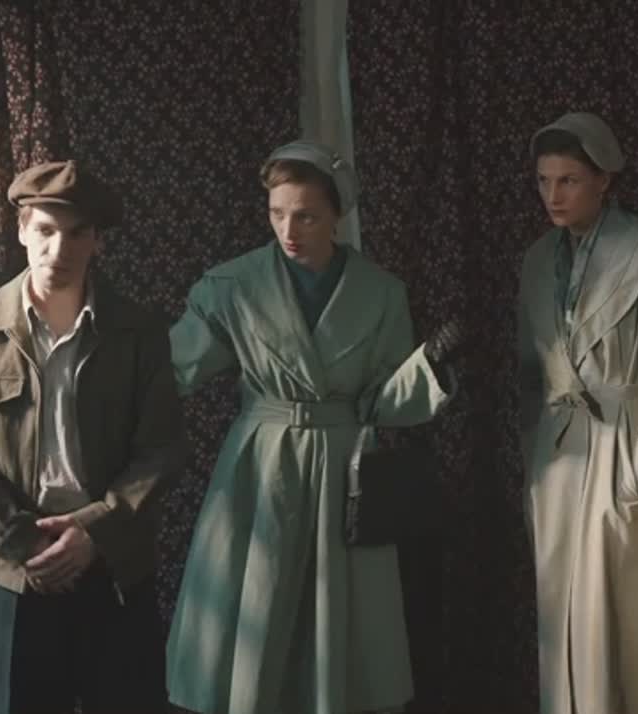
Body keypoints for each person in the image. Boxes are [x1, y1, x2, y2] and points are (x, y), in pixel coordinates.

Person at [164, 140, 466, 714]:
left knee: (341, 622)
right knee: (258, 605)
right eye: (276, 213)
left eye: (305, 216)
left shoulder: (381, 293)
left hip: (344, 471)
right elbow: (174, 370)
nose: (288, 230)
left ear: (336, 215)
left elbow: (381, 400)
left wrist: (427, 366)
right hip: (261, 468)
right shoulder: (232, 286)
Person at [0, 160, 185, 714]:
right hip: (16, 568)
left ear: (97, 241)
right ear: (22, 230)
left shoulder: (139, 333)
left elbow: (161, 449)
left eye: (76, 233)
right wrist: (21, 538)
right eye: (45, 230)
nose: (58, 249)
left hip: (112, 565)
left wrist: (94, 531)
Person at [517, 112, 638, 714]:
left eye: (569, 180)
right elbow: (528, 371)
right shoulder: (537, 262)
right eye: (544, 180)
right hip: (560, 460)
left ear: (604, 180)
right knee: (566, 624)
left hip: (626, 452)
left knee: (633, 633)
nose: (553, 195)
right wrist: (534, 459)